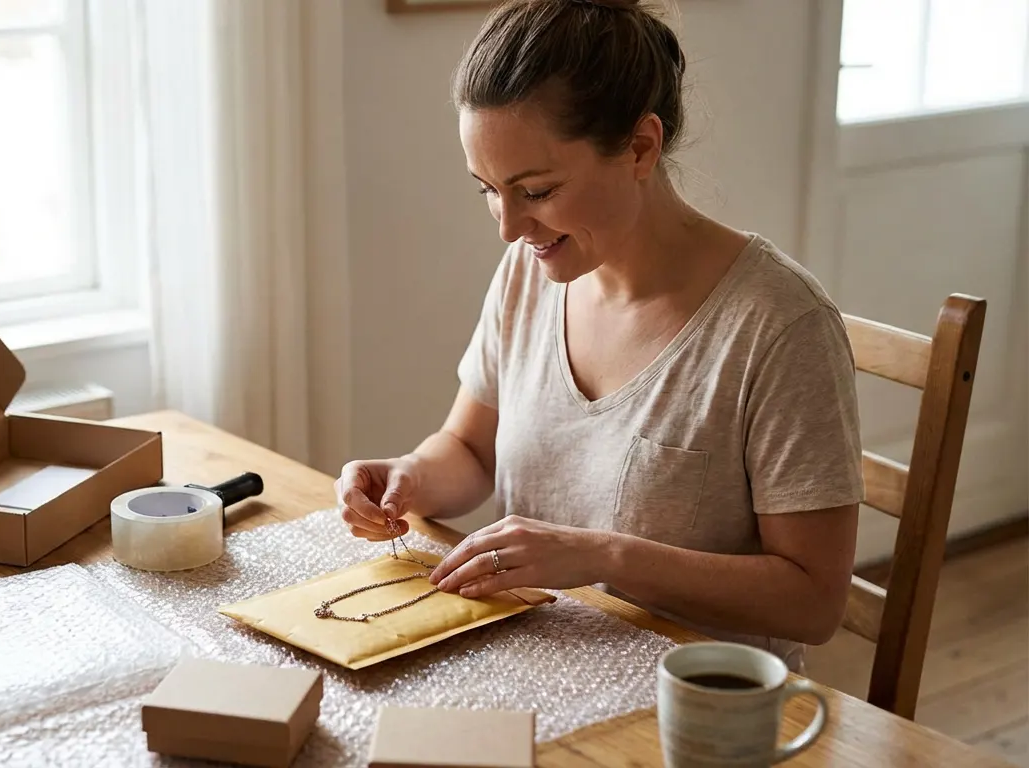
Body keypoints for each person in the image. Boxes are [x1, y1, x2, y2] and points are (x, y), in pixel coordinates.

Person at [334, 0, 863, 672]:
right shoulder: (530, 273)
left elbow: (813, 604)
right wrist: (409, 478)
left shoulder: (779, 327)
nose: (508, 226)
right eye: (489, 191)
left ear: (641, 147)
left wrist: (602, 555)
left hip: (696, 707)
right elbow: (471, 449)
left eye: (538, 189)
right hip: (537, 662)